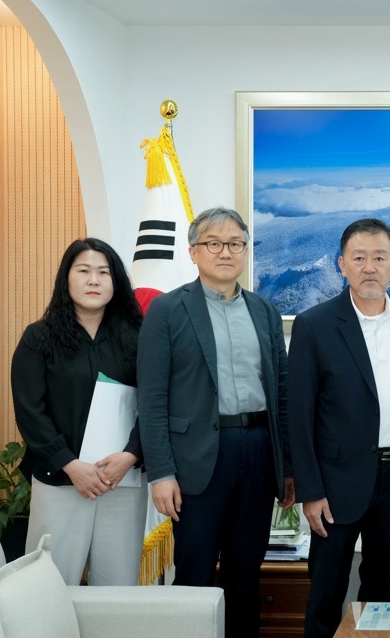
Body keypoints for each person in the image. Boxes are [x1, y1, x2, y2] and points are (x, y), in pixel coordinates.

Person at [289, 218, 390, 638]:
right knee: (326, 595)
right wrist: (310, 492)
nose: (369, 267)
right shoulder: (315, 325)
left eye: (379, 258)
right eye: (359, 258)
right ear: (341, 264)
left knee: (384, 596)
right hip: (335, 483)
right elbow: (298, 415)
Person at [138, 207, 295, 637]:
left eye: (236, 244)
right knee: (194, 571)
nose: (225, 252)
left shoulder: (264, 311)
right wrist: (162, 473)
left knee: (246, 574)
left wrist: (287, 468)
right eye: (214, 243)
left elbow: (281, 393)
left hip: (259, 452)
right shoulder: (167, 311)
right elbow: (151, 400)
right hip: (196, 461)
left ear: (246, 252)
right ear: (193, 251)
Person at [11, 238, 147, 585]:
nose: (93, 280)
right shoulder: (38, 338)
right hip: (60, 481)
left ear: (115, 282)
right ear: (66, 279)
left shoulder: (139, 338)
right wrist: (69, 464)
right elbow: (30, 411)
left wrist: (131, 455)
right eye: (83, 270)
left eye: (103, 272)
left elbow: (154, 404)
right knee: (50, 587)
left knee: (117, 589)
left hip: (121, 481)